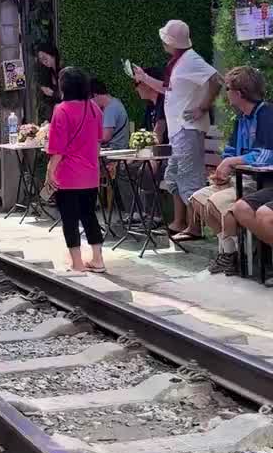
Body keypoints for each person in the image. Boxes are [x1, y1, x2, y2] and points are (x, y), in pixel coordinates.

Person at [133, 21, 221, 241]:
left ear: (171, 41)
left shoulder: (190, 59)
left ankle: (194, 227)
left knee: (189, 178)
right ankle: (179, 222)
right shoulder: (178, 62)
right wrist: (144, 78)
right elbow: (168, 89)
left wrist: (203, 107)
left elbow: (216, 80)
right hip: (178, 131)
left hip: (187, 129)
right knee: (173, 176)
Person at [186, 67, 273, 276]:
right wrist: (223, 169)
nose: (225, 94)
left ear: (239, 93)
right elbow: (231, 151)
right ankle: (229, 253)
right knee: (198, 198)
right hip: (239, 178)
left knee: (216, 202)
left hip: (259, 181)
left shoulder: (266, 115)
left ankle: (236, 256)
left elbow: (267, 155)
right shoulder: (240, 118)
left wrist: (233, 162)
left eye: (227, 89)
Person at [46, 67, 105, 273]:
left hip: (68, 175)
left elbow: (58, 148)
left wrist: (50, 170)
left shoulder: (61, 110)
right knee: (89, 215)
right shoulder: (94, 109)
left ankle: (77, 263)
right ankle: (98, 259)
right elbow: (98, 141)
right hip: (91, 174)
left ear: (64, 87)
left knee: (70, 219)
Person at [90, 78, 130, 150]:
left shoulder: (111, 109)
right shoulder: (115, 103)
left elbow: (105, 137)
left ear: (95, 95)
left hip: (114, 150)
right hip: (119, 148)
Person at [37, 43, 60, 122]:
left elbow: (69, 96)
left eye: (45, 58)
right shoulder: (49, 72)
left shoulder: (63, 71)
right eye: (41, 60)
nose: (44, 62)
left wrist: (52, 93)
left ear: (52, 54)